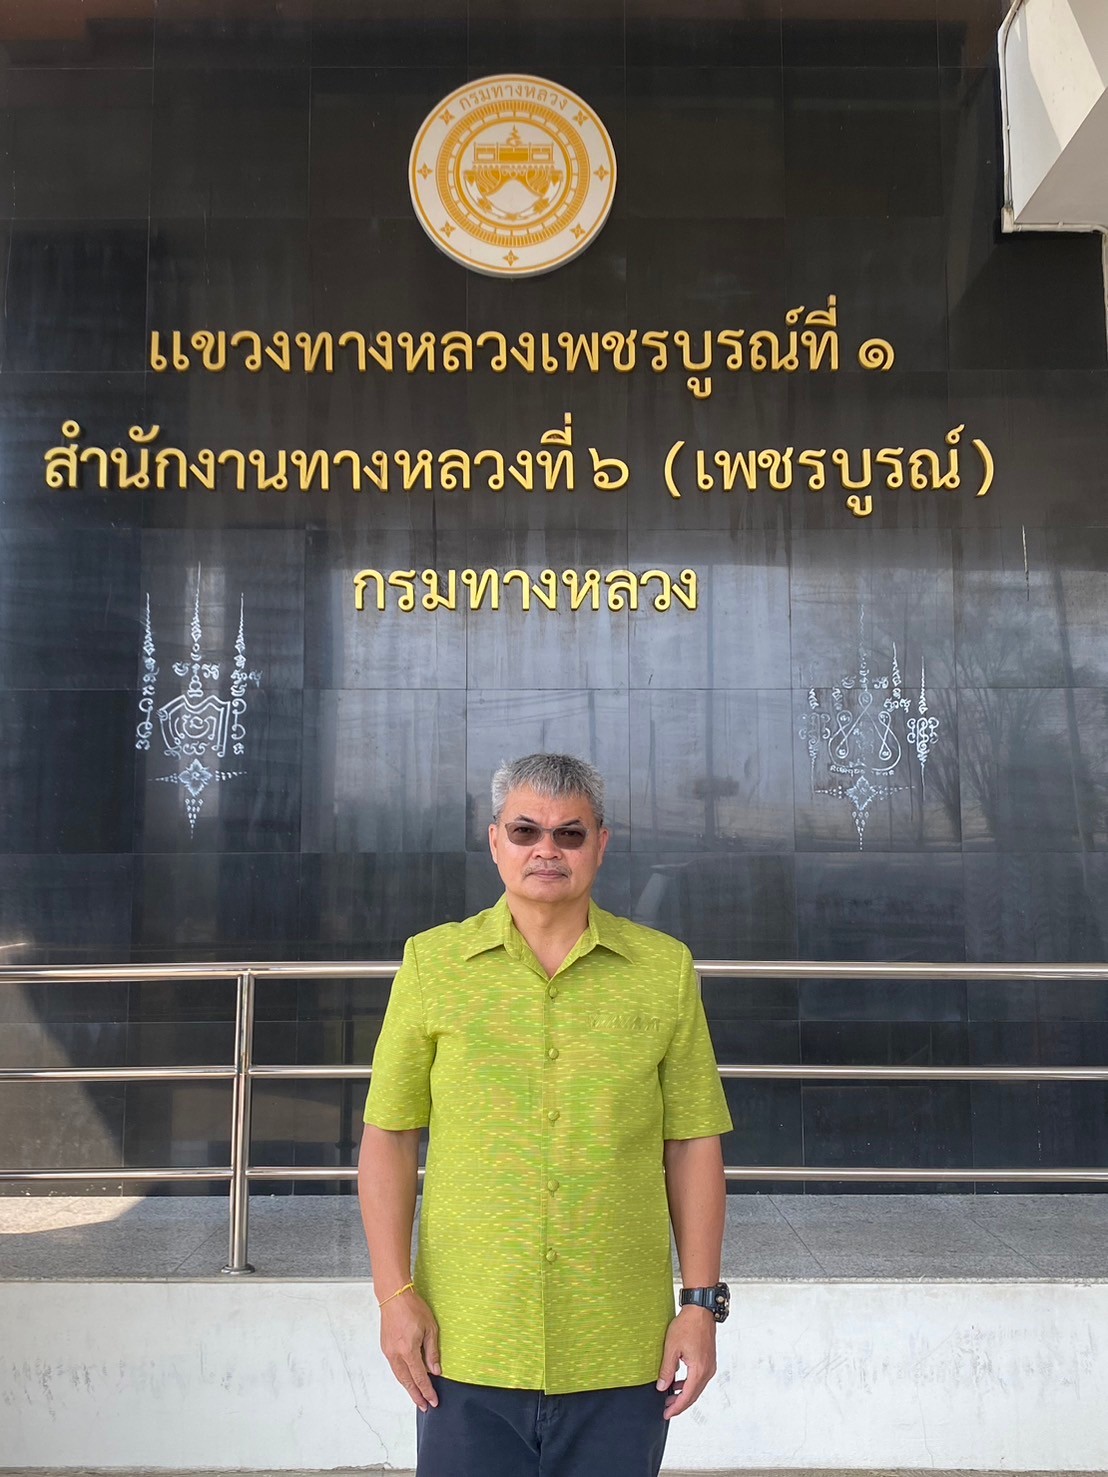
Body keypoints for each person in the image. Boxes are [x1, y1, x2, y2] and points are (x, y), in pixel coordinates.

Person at [358, 753, 733, 1477]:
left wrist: (699, 1304)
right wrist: (393, 1294)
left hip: (623, 1348)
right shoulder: (434, 965)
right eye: (525, 830)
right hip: (464, 1344)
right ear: (494, 840)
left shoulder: (664, 970)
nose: (546, 850)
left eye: (569, 833)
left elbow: (692, 1143)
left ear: (601, 843)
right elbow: (389, 1137)